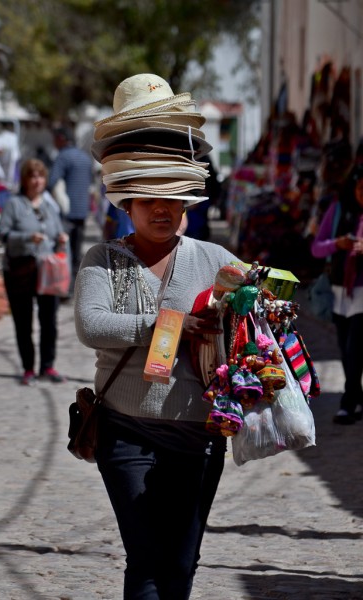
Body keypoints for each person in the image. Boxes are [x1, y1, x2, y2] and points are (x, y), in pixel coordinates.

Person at [74, 73, 240, 600]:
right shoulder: (103, 260)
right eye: (148, 200)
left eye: (173, 198)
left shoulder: (215, 261)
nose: (162, 209)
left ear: (188, 200)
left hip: (199, 438)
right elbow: (91, 325)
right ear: (125, 203)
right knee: (146, 560)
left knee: (183, 561)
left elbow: (259, 320)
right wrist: (167, 326)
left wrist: (243, 310)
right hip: (127, 433)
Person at [0, 158, 68, 386]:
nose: (37, 181)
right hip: (20, 271)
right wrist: (26, 238)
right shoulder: (14, 204)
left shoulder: (49, 206)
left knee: (49, 320)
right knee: (23, 321)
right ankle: (28, 368)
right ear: (25, 180)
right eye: (32, 176)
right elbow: (3, 235)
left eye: (40, 176)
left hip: (47, 272)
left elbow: (58, 235)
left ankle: (47, 365)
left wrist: (61, 239)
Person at [311, 165, 363, 424]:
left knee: (354, 348)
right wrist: (337, 244)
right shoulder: (339, 210)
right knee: (345, 348)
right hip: (339, 290)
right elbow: (316, 248)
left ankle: (348, 403)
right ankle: (358, 396)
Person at [49, 127, 94, 293]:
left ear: (61, 138)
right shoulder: (85, 158)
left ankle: (64, 288)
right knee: (77, 253)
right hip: (82, 212)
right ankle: (77, 289)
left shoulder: (62, 157)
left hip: (66, 213)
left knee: (63, 252)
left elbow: (51, 181)